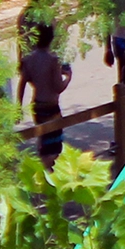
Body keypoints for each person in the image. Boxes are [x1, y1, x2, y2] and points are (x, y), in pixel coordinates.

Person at [17, 23, 72, 170]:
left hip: (37, 105)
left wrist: (19, 107)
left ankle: (43, 175)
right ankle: (44, 174)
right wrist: (68, 76)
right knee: (54, 146)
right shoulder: (52, 60)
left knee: (43, 141)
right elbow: (58, 87)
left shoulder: (29, 59)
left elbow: (22, 83)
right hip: (51, 106)